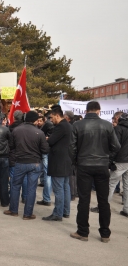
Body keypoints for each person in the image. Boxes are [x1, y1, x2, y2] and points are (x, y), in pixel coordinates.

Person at [69, 101, 120, 242]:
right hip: (102, 165)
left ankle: (83, 231)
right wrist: (107, 159)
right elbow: (116, 146)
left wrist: (75, 161)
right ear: (99, 110)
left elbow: (71, 148)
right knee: (103, 200)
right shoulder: (107, 125)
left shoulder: (77, 125)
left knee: (84, 200)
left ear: (86, 111)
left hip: (84, 165)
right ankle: (105, 233)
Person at [5, 111, 49, 220]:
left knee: (15, 186)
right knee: (31, 188)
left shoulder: (16, 130)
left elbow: (11, 146)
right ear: (35, 120)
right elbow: (45, 149)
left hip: (20, 162)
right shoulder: (39, 133)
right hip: (35, 163)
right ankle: (27, 213)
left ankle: (13, 210)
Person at [42, 106, 73, 222]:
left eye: (51, 117)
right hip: (67, 160)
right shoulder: (68, 126)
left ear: (57, 116)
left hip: (59, 161)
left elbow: (51, 141)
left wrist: (46, 138)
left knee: (59, 188)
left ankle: (57, 213)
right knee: (65, 187)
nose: (51, 120)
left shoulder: (61, 127)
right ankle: (65, 211)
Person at [37, 114, 54, 207]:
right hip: (43, 152)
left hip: (45, 152)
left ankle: (47, 198)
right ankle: (46, 198)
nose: (39, 123)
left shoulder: (48, 127)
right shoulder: (42, 127)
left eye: (40, 121)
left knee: (47, 174)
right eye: (38, 121)